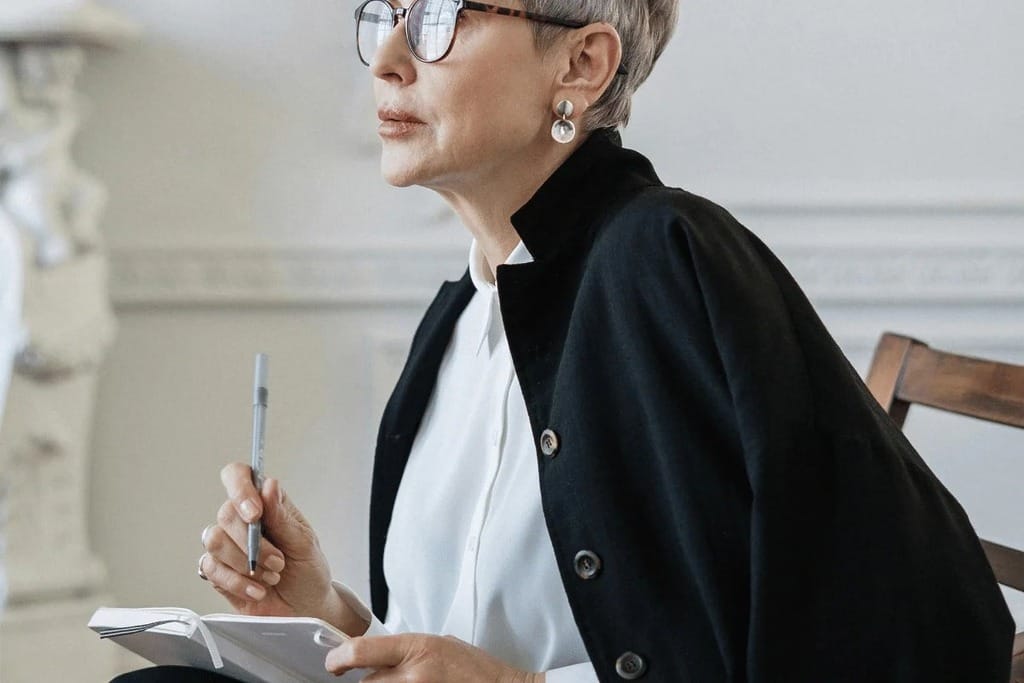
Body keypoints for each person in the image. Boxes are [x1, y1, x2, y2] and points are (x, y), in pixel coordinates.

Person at [125, 0, 1015, 680]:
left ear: (583, 64)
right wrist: (324, 608)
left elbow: (847, 639)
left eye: (441, 16)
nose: (389, 58)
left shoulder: (663, 261)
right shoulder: (461, 314)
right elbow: (463, 641)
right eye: (387, 13)